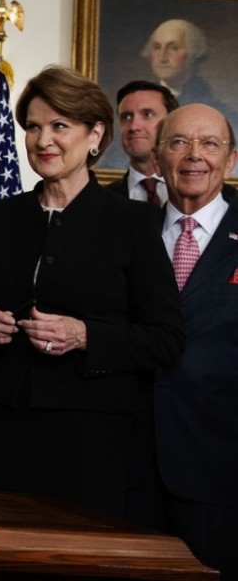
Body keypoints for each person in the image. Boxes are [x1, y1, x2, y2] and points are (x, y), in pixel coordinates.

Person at [0, 65, 184, 519]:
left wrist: (85, 335)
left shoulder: (132, 222)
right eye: (33, 127)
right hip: (2, 431)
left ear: (95, 135)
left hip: (93, 440)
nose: (43, 140)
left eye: (59, 126)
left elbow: (165, 338)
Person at [153, 103, 238, 579]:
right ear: (158, 156)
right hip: (130, 469)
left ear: (231, 159)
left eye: (210, 143)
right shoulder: (125, 232)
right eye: (179, 142)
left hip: (222, 473)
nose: (194, 155)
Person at [142, 19, 238, 128]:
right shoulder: (138, 102)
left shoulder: (220, 113)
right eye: (157, 47)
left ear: (192, 54)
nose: (162, 58)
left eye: (173, 48)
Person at [104, 80, 177, 205]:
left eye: (147, 114)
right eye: (126, 117)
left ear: (172, 122)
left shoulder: (199, 192)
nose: (134, 126)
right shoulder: (102, 200)